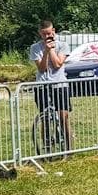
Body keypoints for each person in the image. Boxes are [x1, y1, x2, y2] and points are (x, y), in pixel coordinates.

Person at [29, 19, 73, 149]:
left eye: (49, 33)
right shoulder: (35, 48)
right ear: (40, 34)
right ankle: (47, 147)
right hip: (42, 85)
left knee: (63, 116)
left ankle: (69, 147)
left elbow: (58, 64)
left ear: (53, 31)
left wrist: (52, 49)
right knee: (45, 118)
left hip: (60, 85)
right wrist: (46, 52)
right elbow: (41, 68)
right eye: (44, 34)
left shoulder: (63, 45)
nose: (47, 37)